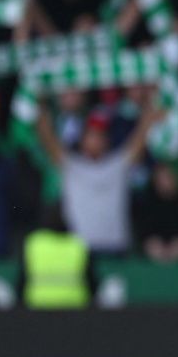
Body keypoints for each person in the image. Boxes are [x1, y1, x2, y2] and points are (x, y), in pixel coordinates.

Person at [37, 101, 162, 258]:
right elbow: (48, 140)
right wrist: (39, 106)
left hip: (116, 248)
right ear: (82, 139)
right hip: (80, 250)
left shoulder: (117, 164)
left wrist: (149, 114)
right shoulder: (71, 165)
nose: (96, 140)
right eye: (92, 135)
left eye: (100, 136)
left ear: (107, 140)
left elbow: (139, 140)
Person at [18, 207, 96, 310]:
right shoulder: (77, 244)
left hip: (39, 304)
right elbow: (92, 281)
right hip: (74, 305)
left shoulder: (34, 243)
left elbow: (22, 279)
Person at [134, 162, 178, 264]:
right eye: (162, 178)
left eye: (169, 177)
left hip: (176, 250)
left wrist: (176, 245)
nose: (166, 182)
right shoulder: (146, 203)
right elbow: (143, 232)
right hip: (152, 250)